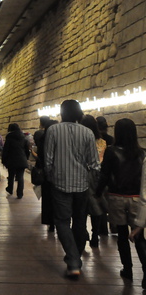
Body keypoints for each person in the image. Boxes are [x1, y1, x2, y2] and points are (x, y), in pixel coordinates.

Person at [44, 99, 100, 278]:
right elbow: (94, 163)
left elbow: (48, 160)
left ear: (62, 112)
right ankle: (76, 256)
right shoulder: (87, 132)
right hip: (82, 184)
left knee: (61, 221)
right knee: (80, 220)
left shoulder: (53, 130)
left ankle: (73, 259)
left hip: (59, 184)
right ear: (79, 112)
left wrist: (51, 177)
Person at [96, 118, 146, 286]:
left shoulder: (111, 151)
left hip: (117, 197)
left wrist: (97, 192)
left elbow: (104, 174)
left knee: (122, 236)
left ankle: (127, 269)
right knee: (139, 236)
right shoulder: (142, 153)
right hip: (136, 199)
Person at [81, 114, 107, 248]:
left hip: (82, 176)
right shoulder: (102, 142)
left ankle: (83, 231)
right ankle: (95, 235)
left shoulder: (81, 141)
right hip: (97, 177)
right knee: (96, 207)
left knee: (82, 206)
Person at [35, 118, 56, 231]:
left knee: (48, 199)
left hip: (47, 174)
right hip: (57, 174)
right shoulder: (57, 139)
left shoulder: (43, 139)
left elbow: (40, 156)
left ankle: (50, 223)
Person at [1, 123, 29, 199]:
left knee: (11, 176)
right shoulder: (23, 137)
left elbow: (6, 150)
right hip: (21, 160)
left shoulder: (9, 137)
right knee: (20, 177)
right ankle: (20, 193)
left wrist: (3, 160)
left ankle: (10, 189)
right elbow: (27, 150)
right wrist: (26, 158)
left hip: (11, 160)